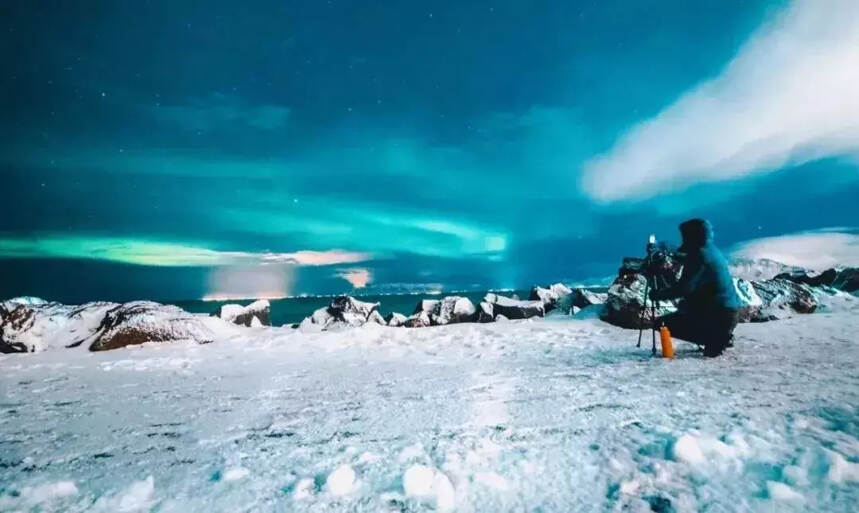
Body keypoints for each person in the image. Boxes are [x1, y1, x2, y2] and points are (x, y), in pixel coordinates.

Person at [650, 218, 740, 357]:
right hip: (726, 312)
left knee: (662, 323)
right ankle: (720, 336)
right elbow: (683, 255)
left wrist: (657, 295)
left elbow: (684, 288)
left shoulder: (700, 256)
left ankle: (716, 338)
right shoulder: (709, 250)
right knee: (686, 306)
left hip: (719, 315)